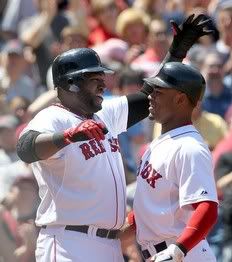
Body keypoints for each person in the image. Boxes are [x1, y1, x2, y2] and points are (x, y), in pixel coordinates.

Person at [16, 14, 213, 262]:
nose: (103, 85)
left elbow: (146, 98)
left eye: (103, 78)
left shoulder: (103, 115)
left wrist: (176, 52)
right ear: (72, 83)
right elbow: (25, 147)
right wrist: (65, 137)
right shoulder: (52, 118)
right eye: (95, 80)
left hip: (111, 244)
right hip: (69, 241)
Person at [126, 62, 218, 262]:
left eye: (158, 91)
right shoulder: (160, 143)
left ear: (180, 99)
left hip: (184, 254)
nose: (150, 95)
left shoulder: (190, 147)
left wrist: (178, 250)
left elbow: (207, 208)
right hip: (160, 253)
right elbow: (152, 206)